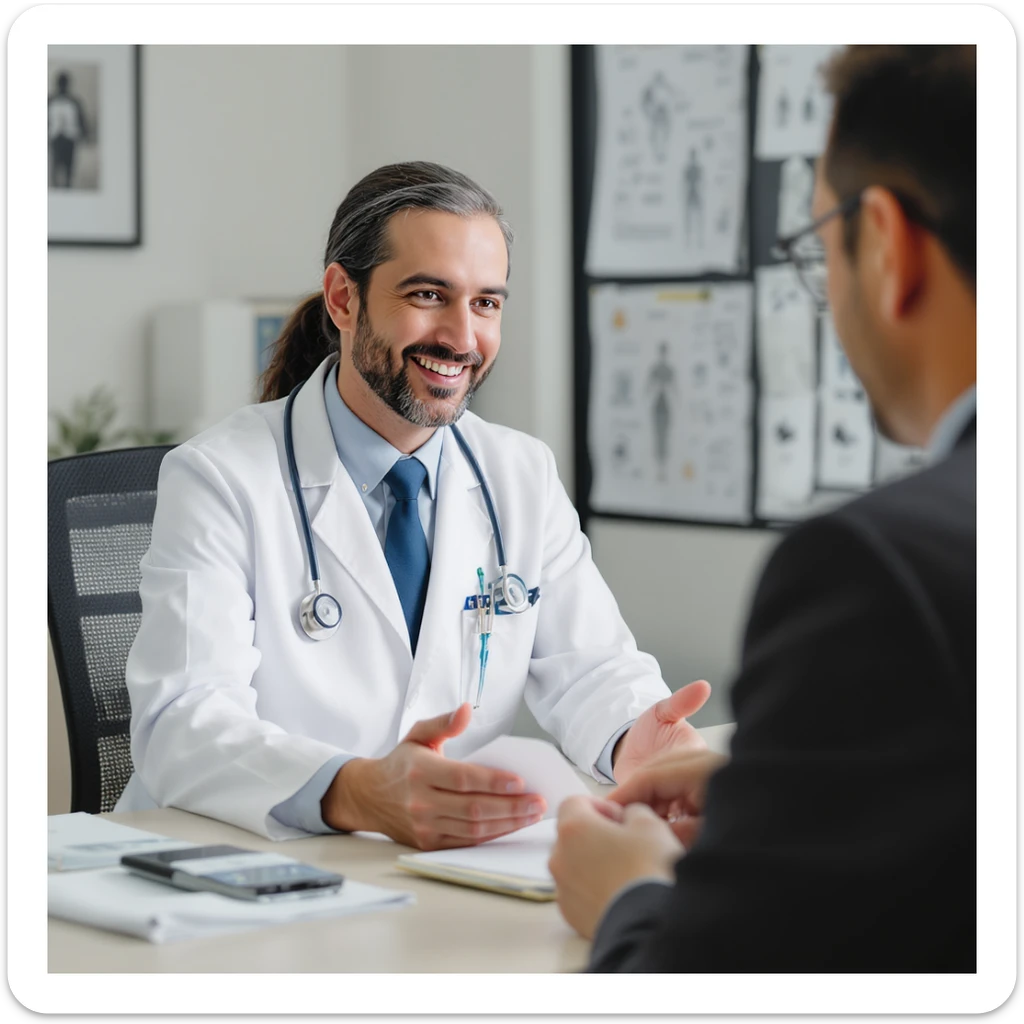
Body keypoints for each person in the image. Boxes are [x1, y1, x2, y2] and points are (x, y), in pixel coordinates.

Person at [116, 161, 712, 847]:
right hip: (235, 861)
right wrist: (356, 792)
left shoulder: (520, 473)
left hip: (431, 866)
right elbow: (182, 722)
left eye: (486, 303)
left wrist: (638, 737)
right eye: (429, 294)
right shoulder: (219, 477)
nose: (462, 337)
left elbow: (592, 668)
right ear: (343, 299)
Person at [549, 45, 977, 972]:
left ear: (887, 245)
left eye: (820, 246)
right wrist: (798, 784)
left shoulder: (873, 565)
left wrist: (626, 897)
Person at [48, 70, 88, 189]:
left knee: (69, 168)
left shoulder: (74, 102)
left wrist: (84, 134)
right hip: (55, 139)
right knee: (55, 167)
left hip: (70, 139)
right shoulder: (50, 101)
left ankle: (67, 189)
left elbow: (81, 120)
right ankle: (55, 190)